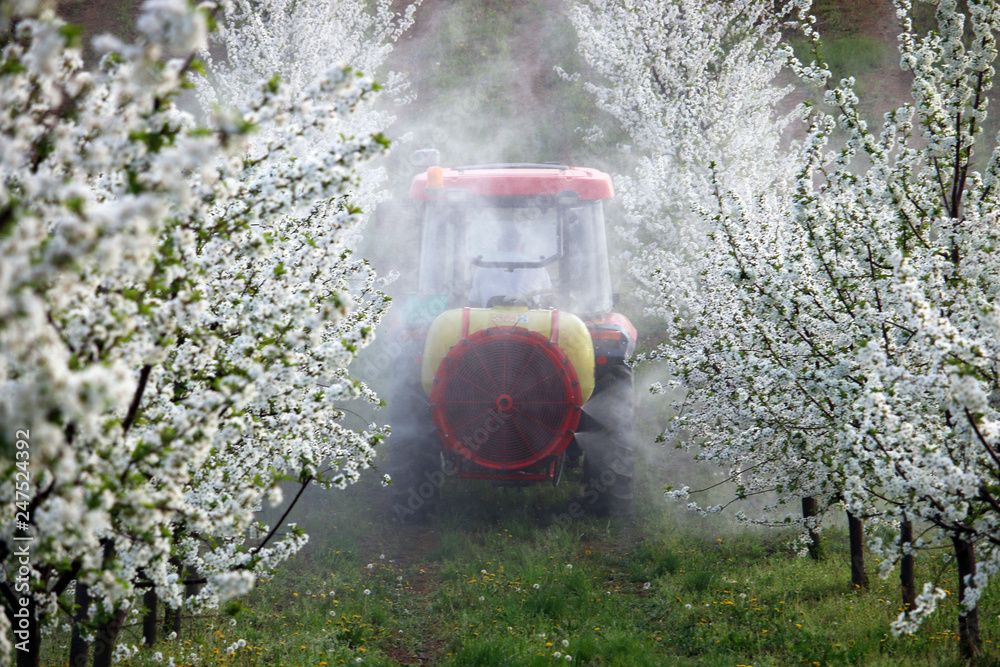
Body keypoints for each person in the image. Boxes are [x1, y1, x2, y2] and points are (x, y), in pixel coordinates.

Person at [468, 223, 552, 307]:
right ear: (523, 247)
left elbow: (474, 302)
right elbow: (548, 298)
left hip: (488, 319)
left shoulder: (484, 265)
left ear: (499, 246)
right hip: (532, 319)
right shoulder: (537, 266)